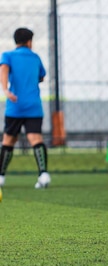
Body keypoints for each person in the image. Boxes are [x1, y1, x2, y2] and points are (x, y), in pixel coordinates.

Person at [0, 27, 50, 190]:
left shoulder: (8, 56)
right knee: (36, 139)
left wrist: (6, 90)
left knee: (8, 140)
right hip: (34, 106)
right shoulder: (35, 57)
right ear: (29, 42)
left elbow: (3, 69)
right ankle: (43, 174)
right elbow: (41, 77)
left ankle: (1, 176)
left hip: (15, 106)